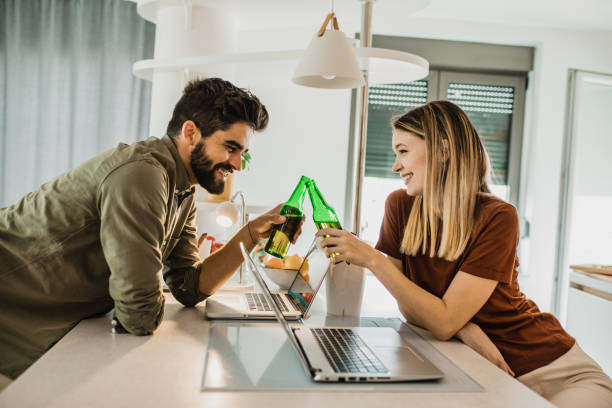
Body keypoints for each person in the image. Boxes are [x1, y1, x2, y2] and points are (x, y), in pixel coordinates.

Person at [0, 78, 297, 383]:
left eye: (242, 153)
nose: (237, 164)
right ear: (191, 133)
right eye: (230, 148)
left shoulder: (181, 191)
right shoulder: (142, 175)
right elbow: (139, 314)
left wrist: (249, 234)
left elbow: (188, 286)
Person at [316, 100, 612, 407]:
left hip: (556, 371)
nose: (395, 165)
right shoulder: (400, 206)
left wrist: (375, 260)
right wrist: (466, 329)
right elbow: (412, 305)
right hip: (488, 369)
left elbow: (442, 322)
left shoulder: (498, 216)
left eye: (403, 151)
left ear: (443, 151)